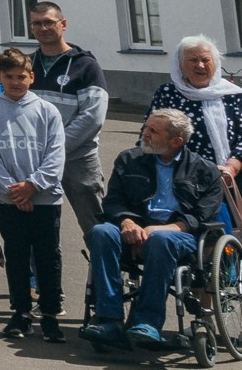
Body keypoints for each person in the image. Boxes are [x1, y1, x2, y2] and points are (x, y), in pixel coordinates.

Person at [83, 108, 223, 350]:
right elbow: (113, 200)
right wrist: (127, 222)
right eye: (146, 127)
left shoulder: (205, 170)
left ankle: (147, 322)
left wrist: (158, 230)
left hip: (180, 237)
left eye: (153, 131)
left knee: (162, 240)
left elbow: (202, 216)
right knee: (101, 232)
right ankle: (109, 319)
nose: (145, 134)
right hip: (134, 227)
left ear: (176, 141)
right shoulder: (129, 159)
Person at [0, 47, 67, 341]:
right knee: (16, 254)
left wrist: (33, 186)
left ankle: (50, 313)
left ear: (31, 77)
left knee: (47, 255)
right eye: (9, 76)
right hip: (9, 197)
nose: (15, 82)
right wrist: (13, 190)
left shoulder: (47, 110)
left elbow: (55, 154)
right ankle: (20, 312)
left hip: (45, 197)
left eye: (21, 76)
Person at [27, 1, 109, 237]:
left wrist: (54, 149)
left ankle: (102, 274)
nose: (43, 28)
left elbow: (92, 118)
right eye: (37, 23)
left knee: (96, 227)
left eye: (49, 22)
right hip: (36, 160)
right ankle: (41, 275)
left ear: (63, 24)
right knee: (38, 230)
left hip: (78, 160)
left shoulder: (86, 65)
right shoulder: (28, 64)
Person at [148, 35, 242, 183]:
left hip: (232, 177)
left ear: (215, 64)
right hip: (181, 179)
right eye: (193, 60)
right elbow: (149, 134)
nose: (200, 65)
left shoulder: (234, 95)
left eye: (206, 60)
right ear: (180, 65)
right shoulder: (167, 93)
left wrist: (232, 167)